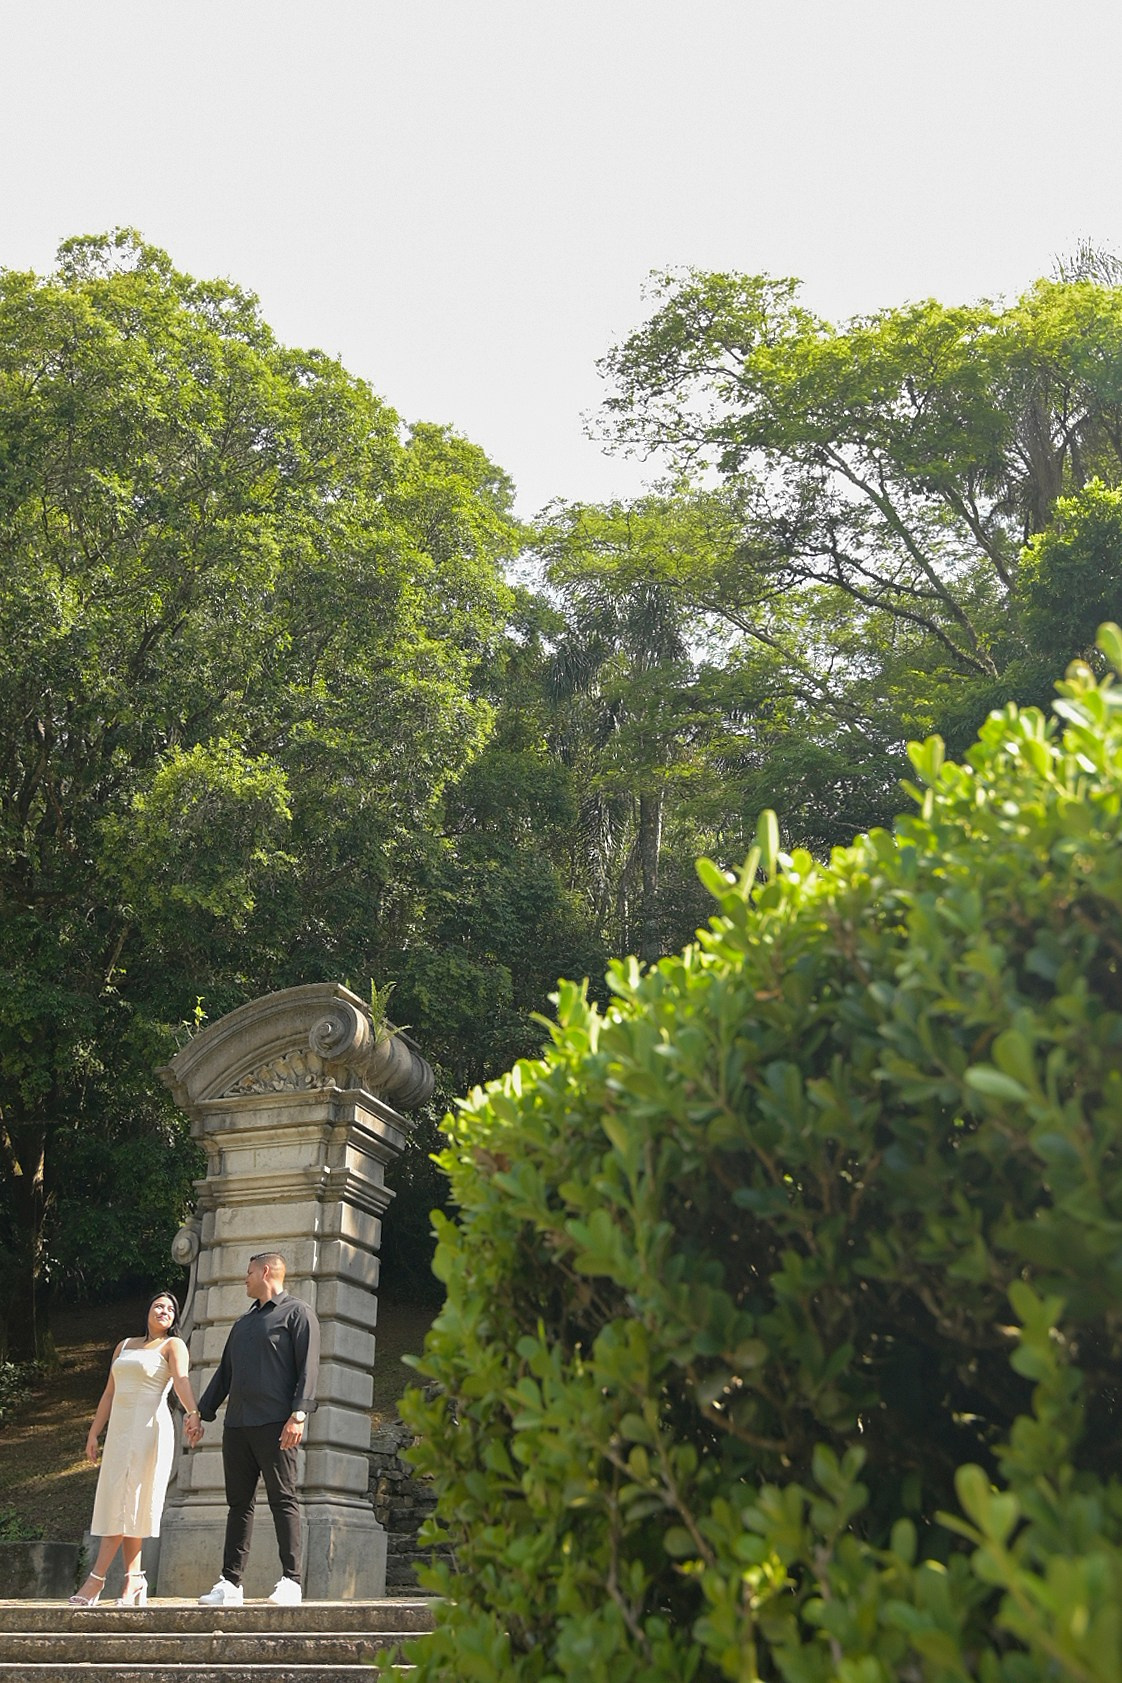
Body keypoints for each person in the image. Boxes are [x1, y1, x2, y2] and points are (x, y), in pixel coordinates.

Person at [193, 1251, 319, 1607]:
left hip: (276, 1425)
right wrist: (200, 1413)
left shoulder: (297, 1313)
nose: (244, 1279)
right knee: (238, 1505)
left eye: (248, 1273)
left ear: (266, 1272)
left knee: (283, 1500)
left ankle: (291, 1581)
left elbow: (308, 1369)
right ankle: (230, 1584)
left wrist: (298, 1415)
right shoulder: (242, 1324)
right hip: (238, 1426)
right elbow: (224, 1376)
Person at [70, 1291, 201, 1607]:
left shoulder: (173, 1346)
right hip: (119, 1432)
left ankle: (96, 1579)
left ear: (174, 1319)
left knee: (131, 1500)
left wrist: (193, 1412)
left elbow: (182, 1381)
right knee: (122, 1499)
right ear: (148, 1311)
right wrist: (94, 1433)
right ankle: (135, 1580)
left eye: (170, 1308)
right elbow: (108, 1394)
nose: (163, 1310)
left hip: (149, 1430)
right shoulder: (124, 1346)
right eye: (158, 1305)